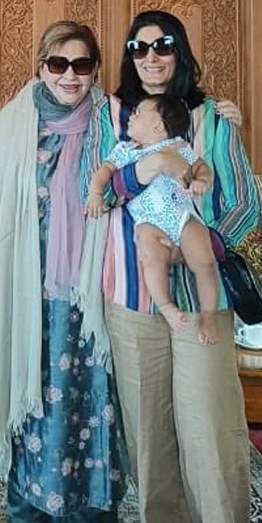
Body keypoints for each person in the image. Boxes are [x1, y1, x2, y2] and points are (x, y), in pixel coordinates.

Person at [96, 9, 262, 523]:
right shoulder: (111, 117)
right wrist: (145, 170)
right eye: (138, 47)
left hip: (202, 299)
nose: (150, 56)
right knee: (151, 447)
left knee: (209, 442)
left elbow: (245, 202)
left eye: (162, 45)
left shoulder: (213, 119)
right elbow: (104, 191)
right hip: (132, 301)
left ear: (180, 51)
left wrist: (202, 247)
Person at [0, 20, 128, 523]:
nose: (70, 76)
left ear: (94, 71)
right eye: (58, 64)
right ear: (40, 67)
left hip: (90, 300)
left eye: (82, 65)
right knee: (27, 404)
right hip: (25, 296)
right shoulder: (11, 126)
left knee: (92, 408)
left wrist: (218, 115)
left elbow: (175, 135)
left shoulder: (113, 124)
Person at [86, 93, 220, 344]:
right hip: (149, 222)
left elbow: (201, 167)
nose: (131, 117)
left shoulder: (178, 147)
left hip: (182, 215)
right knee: (150, 255)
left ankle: (209, 315)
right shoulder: (125, 150)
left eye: (138, 113)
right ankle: (166, 305)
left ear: (158, 126)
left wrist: (202, 180)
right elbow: (103, 172)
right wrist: (95, 194)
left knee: (205, 262)